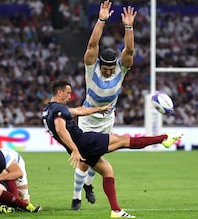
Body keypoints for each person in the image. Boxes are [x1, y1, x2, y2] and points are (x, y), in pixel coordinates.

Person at [42, 79, 182, 218]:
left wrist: (99, 109)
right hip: (84, 142)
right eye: (68, 93)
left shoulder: (49, 109)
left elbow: (78, 111)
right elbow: (61, 130)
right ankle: (163, 139)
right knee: (123, 141)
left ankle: (116, 211)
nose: (70, 96)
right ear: (59, 92)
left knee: (107, 170)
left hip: (83, 147)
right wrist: (75, 149)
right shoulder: (59, 109)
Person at [71, 0, 137, 210]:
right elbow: (92, 45)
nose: (108, 71)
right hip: (88, 119)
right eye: (105, 68)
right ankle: (76, 199)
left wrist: (128, 26)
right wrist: (102, 19)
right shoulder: (92, 69)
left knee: (96, 157)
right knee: (83, 159)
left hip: (107, 119)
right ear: (100, 64)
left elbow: (129, 50)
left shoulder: (121, 69)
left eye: (111, 68)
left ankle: (88, 186)